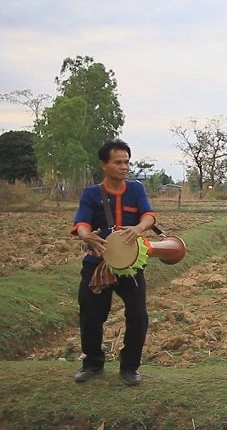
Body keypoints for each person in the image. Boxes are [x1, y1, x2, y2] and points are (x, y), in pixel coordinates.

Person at [71, 140, 156, 386]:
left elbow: (149, 216)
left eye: (127, 162)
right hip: (97, 263)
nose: (124, 167)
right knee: (91, 315)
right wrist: (85, 234)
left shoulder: (136, 190)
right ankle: (93, 363)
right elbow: (82, 222)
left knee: (138, 316)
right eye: (118, 162)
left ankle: (130, 367)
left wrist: (139, 228)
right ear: (104, 164)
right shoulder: (91, 194)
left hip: (130, 266)